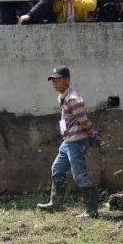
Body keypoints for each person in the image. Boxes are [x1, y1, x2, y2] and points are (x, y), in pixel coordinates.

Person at [36, 67, 99, 219]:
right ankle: (55, 204)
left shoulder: (73, 98)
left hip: (76, 142)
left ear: (67, 80)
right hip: (68, 142)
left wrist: (92, 134)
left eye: (58, 80)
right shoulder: (63, 97)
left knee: (80, 175)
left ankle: (92, 211)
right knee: (57, 170)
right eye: (53, 80)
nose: (55, 83)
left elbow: (83, 120)